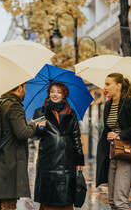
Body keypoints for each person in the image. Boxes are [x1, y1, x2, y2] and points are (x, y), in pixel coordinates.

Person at [0, 82, 45, 210]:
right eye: (25, 88)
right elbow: (22, 133)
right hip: (9, 163)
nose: (26, 92)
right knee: (8, 204)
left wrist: (29, 124)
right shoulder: (14, 106)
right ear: (19, 88)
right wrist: (34, 125)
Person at [96, 73, 131, 210]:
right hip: (113, 154)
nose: (104, 87)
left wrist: (120, 135)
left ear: (118, 86)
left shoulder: (129, 102)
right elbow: (108, 128)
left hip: (126, 154)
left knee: (120, 201)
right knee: (112, 200)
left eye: (108, 84)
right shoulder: (108, 105)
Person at [32, 81, 84, 210]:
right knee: (48, 200)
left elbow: (76, 137)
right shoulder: (40, 112)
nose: (55, 94)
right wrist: (37, 128)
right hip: (47, 162)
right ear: (49, 94)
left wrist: (79, 159)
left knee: (65, 200)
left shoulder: (71, 114)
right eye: (52, 91)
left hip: (67, 162)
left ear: (64, 95)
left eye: (59, 92)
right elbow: (34, 136)